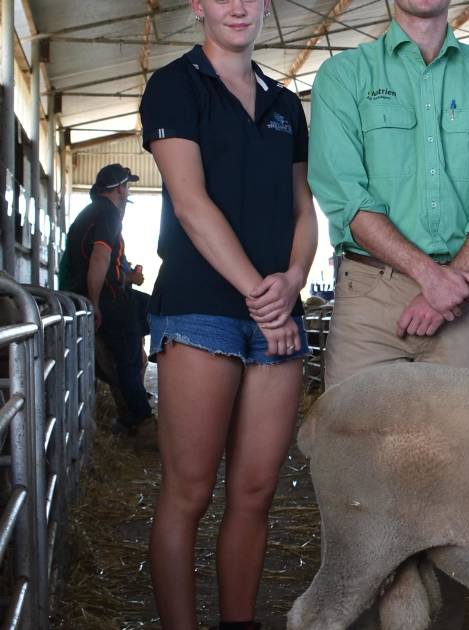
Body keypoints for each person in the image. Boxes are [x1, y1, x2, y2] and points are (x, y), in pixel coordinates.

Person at [306, 0, 469, 624]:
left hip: (461, 296)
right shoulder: (343, 77)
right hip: (373, 295)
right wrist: (429, 276)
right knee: (356, 472)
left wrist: (449, 282)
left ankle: (436, 618)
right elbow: (343, 195)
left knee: (458, 476)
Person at [139, 0, 317, 626]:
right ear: (199, 6)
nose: (238, 7)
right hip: (200, 307)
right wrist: (261, 292)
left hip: (275, 311)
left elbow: (303, 207)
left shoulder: (286, 103)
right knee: (188, 492)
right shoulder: (174, 86)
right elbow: (190, 204)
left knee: (254, 492)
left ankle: (239, 622)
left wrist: (293, 280)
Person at [61, 163, 155, 439]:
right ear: (118, 189)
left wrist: (129, 279)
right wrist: (94, 303)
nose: (127, 192)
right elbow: (99, 259)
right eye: (126, 187)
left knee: (148, 315)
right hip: (105, 298)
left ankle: (131, 407)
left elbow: (106, 267)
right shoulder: (108, 214)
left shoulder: (93, 214)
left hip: (98, 293)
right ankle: (141, 419)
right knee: (129, 356)